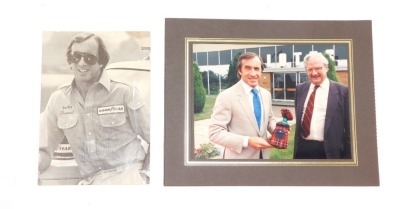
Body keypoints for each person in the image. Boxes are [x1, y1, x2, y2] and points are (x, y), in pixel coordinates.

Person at [38, 32, 150, 184]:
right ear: (70, 61)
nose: (82, 63)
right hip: (91, 183)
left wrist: (146, 176)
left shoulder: (124, 92)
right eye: (76, 57)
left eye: (89, 58)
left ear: (101, 62)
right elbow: (42, 150)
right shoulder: (58, 99)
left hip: (130, 177)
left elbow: (159, 139)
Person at [209, 52, 276, 159]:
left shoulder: (266, 94)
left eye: (256, 68)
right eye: (248, 68)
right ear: (240, 70)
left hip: (264, 157)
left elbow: (269, 119)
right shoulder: (226, 96)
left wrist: (279, 130)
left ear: (261, 70)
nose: (253, 73)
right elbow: (215, 133)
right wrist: (247, 141)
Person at [293, 52, 350, 159]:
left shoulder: (343, 91)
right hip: (302, 149)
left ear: (326, 67)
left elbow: (350, 130)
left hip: (328, 151)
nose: (314, 73)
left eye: (318, 68)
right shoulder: (300, 89)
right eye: (310, 69)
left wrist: (348, 158)